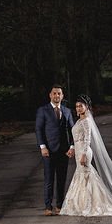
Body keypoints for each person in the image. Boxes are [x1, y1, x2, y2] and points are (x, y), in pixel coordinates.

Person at [35, 84, 75, 215]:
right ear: (50, 95)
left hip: (63, 150)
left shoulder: (67, 111)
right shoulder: (43, 110)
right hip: (49, 150)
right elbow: (39, 129)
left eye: (59, 93)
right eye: (54, 93)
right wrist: (43, 147)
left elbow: (72, 130)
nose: (57, 96)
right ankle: (48, 207)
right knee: (49, 179)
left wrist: (72, 147)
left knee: (62, 179)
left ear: (62, 96)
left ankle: (59, 205)